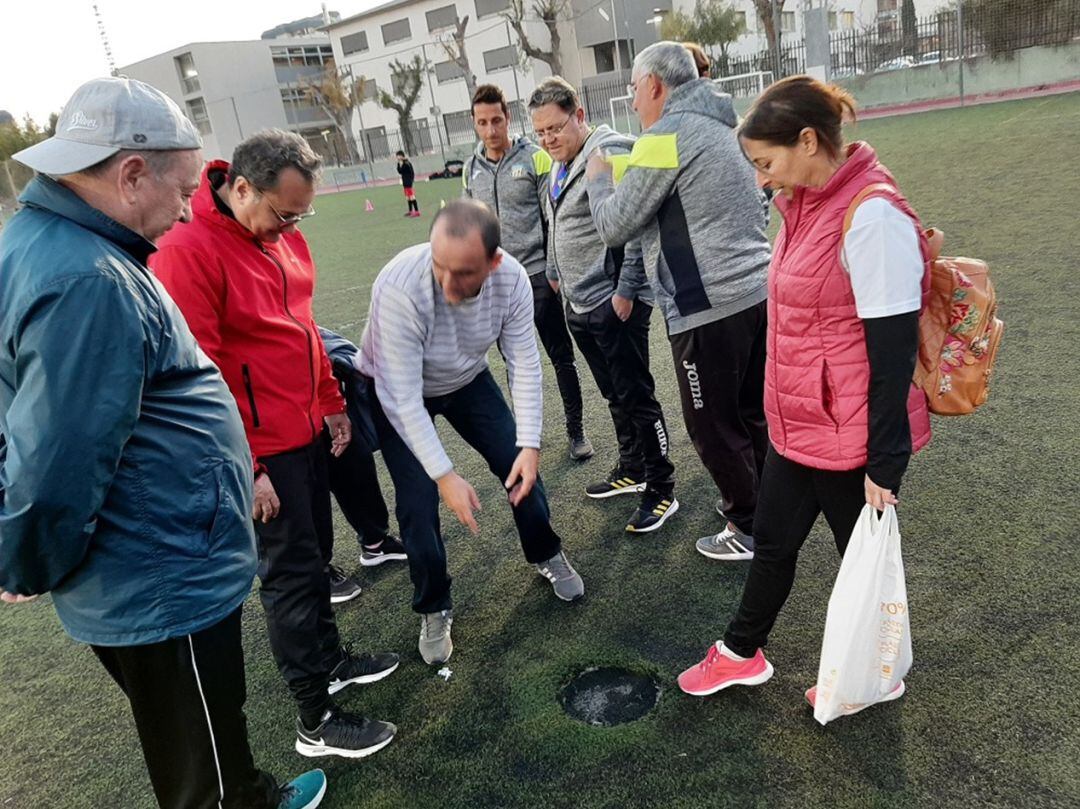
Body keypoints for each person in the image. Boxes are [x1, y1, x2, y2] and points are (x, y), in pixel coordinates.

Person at [0, 77, 326, 808]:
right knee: (194, 765)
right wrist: (24, 555)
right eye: (182, 189)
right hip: (155, 574)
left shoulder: (54, 242)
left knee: (211, 727)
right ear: (131, 174)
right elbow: (58, 459)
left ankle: (252, 792)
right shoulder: (87, 280)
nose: (188, 207)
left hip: (156, 560)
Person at [677, 76, 931, 711]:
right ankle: (741, 653)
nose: (761, 180)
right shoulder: (803, 205)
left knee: (866, 570)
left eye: (766, 163)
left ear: (809, 141)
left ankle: (879, 675)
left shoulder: (871, 215)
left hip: (849, 438)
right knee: (772, 541)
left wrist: (884, 459)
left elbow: (892, 351)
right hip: (799, 425)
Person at [151, 129, 399, 760]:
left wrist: (331, 404)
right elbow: (196, 373)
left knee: (315, 560)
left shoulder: (282, 235)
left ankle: (331, 660)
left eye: (299, 214)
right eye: (281, 213)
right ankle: (315, 721)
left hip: (306, 432)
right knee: (289, 577)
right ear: (240, 187)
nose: (288, 227)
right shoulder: (188, 249)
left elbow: (303, 330)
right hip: (261, 449)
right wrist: (250, 465)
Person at [358, 199, 585, 666]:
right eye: (440, 266)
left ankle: (546, 552)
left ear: (493, 262)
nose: (447, 283)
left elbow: (523, 363)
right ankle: (434, 604)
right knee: (418, 501)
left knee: (517, 464)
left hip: (466, 379)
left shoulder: (513, 280)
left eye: (462, 272)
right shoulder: (401, 286)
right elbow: (400, 397)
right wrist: (444, 474)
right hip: (402, 391)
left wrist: (530, 444)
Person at [585, 42, 772, 561]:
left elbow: (615, 223)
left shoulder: (664, 136)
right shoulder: (723, 125)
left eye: (634, 89)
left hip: (707, 305)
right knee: (751, 413)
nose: (634, 100)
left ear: (653, 85)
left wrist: (599, 181)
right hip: (757, 293)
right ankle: (763, 508)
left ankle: (748, 526)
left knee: (711, 425)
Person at [528, 77, 678, 534]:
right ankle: (632, 469)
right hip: (579, 301)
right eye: (540, 132)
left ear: (578, 114)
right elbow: (555, 221)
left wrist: (627, 289)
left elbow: (636, 221)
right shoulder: (559, 163)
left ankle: (662, 487)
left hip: (614, 302)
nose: (549, 139)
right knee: (615, 396)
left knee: (637, 396)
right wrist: (555, 270)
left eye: (556, 127)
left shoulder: (610, 150)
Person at [463, 83, 593, 462]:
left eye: (497, 120)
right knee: (514, 363)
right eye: (482, 123)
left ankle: (577, 432)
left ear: (508, 119)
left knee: (559, 356)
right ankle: (526, 435)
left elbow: (551, 218)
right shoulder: (471, 169)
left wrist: (552, 269)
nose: (491, 130)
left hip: (537, 277)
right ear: (475, 124)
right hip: (497, 283)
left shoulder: (535, 158)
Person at [319, 325, 408, 604]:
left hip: (315, 389)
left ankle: (375, 543)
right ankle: (315, 572)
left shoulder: (279, 284)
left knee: (353, 461)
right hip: (269, 407)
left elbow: (301, 327)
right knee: (302, 491)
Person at [396, 150, 420, 217]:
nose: (397, 157)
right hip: (405, 181)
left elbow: (411, 172)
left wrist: (411, 180)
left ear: (401, 156)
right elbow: (400, 171)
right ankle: (410, 211)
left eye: (398, 156)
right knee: (408, 197)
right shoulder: (401, 163)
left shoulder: (406, 163)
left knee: (412, 196)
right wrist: (399, 164)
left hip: (408, 181)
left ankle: (417, 211)